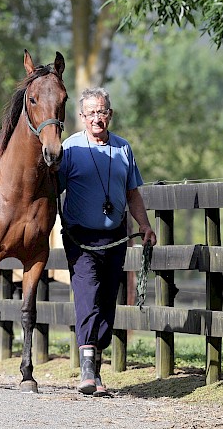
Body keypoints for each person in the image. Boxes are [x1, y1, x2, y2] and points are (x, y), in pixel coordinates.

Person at [57, 87, 157, 396]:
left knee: (107, 301)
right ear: (82, 116)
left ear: (109, 114)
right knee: (87, 294)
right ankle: (87, 371)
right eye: (91, 113)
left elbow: (132, 193)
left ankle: (96, 368)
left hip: (115, 237)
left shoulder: (123, 149)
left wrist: (144, 225)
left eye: (102, 112)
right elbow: (50, 193)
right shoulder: (69, 149)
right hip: (81, 237)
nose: (96, 118)